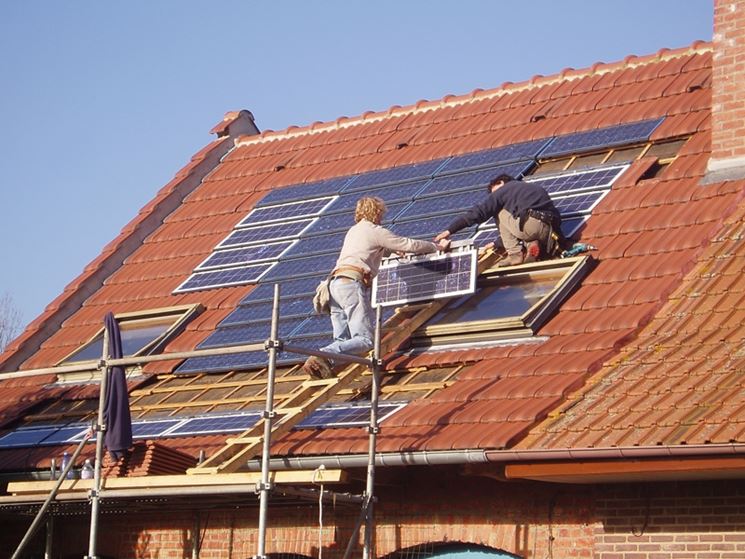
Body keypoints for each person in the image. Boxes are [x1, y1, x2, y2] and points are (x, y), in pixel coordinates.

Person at [302, 196, 450, 379]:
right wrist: (436, 247)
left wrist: (390, 250)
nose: (382, 217)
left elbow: (367, 248)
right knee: (366, 340)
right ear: (376, 212)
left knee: (342, 341)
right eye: (381, 213)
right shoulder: (375, 230)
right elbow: (408, 244)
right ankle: (321, 355)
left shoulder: (354, 231)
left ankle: (324, 363)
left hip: (334, 286)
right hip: (350, 284)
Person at [435, 173, 562, 267]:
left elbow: (480, 211)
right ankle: (532, 244)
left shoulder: (504, 189)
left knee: (498, 211)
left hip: (529, 225)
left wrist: (450, 230)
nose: (494, 196)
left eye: (494, 192)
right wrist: (496, 244)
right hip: (549, 231)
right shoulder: (533, 188)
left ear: (501, 182)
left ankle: (515, 254)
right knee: (522, 222)